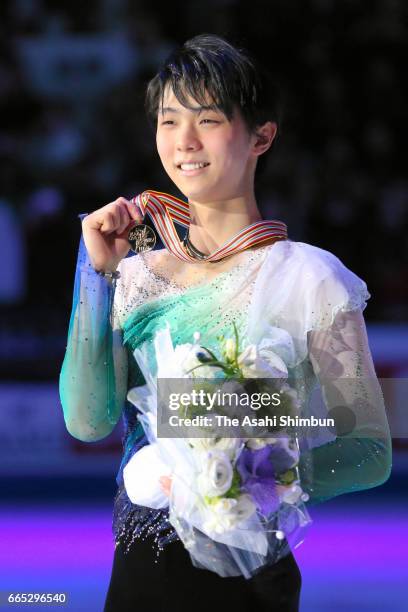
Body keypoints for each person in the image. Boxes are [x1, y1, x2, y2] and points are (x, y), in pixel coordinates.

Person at [59, 34, 392, 612]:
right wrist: (95, 275)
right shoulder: (132, 277)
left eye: (208, 119)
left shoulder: (311, 278)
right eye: (168, 121)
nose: (184, 142)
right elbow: (88, 423)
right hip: (141, 575)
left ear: (262, 135)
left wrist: (244, 470)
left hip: (253, 581)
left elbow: (369, 452)